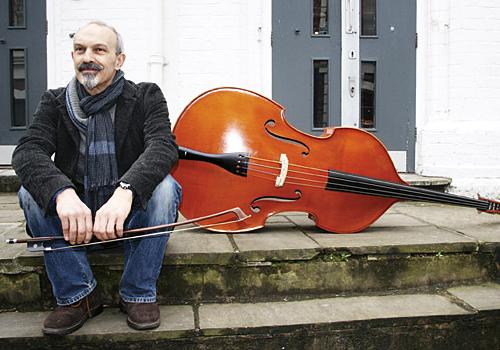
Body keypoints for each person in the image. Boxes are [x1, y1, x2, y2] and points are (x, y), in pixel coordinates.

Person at [11, 21, 181, 335]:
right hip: (76, 217)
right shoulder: (54, 101)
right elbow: (28, 151)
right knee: (29, 192)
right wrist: (61, 193)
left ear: (119, 60)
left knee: (166, 189)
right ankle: (78, 295)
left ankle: (137, 292)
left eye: (99, 50)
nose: (87, 57)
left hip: (127, 215)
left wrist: (126, 190)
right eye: (80, 49)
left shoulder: (145, 96)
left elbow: (163, 146)